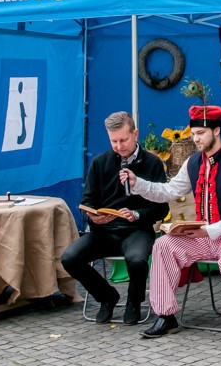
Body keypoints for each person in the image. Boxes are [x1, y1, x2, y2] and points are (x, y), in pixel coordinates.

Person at [121, 104, 221, 351]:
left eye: (201, 133)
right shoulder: (193, 163)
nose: (195, 139)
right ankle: (166, 315)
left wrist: (210, 230)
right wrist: (138, 183)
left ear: (216, 131)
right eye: (194, 133)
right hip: (204, 236)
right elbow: (169, 191)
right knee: (164, 244)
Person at [61, 112, 168, 325]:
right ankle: (107, 297)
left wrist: (138, 214)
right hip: (103, 231)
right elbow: (87, 200)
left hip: (137, 230)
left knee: (137, 259)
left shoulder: (153, 163)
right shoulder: (100, 162)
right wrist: (92, 216)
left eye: (123, 140)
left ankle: (134, 302)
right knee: (69, 258)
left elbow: (162, 208)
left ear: (135, 134)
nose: (119, 146)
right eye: (113, 141)